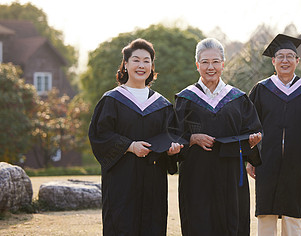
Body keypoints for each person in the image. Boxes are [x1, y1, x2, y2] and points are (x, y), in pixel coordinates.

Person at [88, 38, 183, 236]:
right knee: (122, 225)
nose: (141, 65)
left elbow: (171, 136)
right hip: (122, 181)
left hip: (153, 181)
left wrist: (172, 151)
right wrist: (130, 146)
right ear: (125, 64)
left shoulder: (162, 105)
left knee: (153, 225)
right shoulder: (112, 100)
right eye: (136, 60)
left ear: (152, 66)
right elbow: (100, 135)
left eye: (146, 61)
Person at [175, 38, 263, 236]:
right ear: (197, 65)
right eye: (205, 62)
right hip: (196, 176)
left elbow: (252, 130)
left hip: (230, 176)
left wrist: (253, 142)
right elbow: (174, 135)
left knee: (231, 221)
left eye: (215, 61)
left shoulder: (238, 98)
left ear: (223, 64)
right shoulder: (185, 98)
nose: (210, 67)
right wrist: (192, 138)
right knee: (199, 222)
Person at [247, 34, 301, 236]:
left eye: (290, 56)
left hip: (297, 161)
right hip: (266, 161)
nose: (285, 61)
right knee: (266, 212)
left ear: (297, 61)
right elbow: (250, 126)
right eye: (280, 56)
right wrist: (251, 158)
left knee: (292, 214)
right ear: (273, 61)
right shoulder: (261, 89)